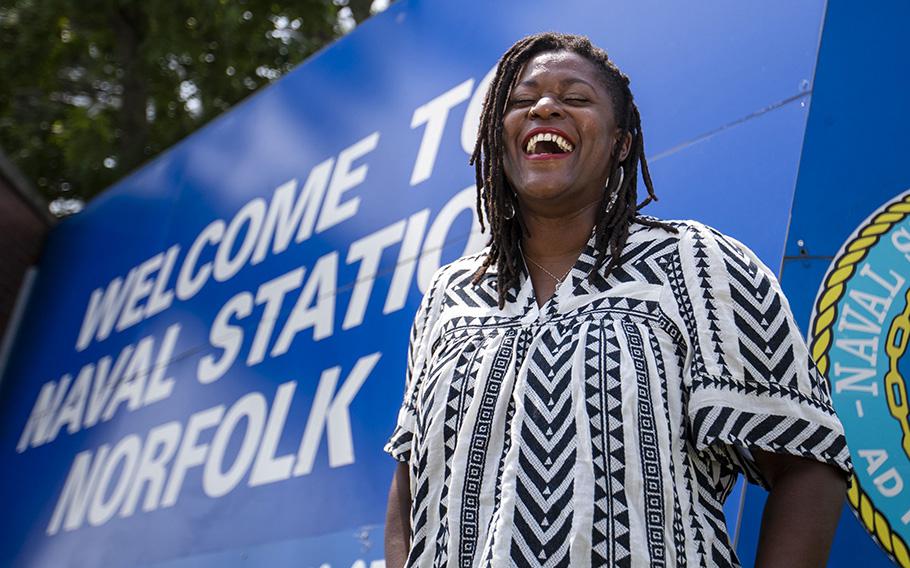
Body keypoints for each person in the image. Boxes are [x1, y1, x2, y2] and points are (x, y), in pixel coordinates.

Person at [383, 32, 852, 568]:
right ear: (498, 133)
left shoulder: (695, 262)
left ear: (621, 143)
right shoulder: (451, 294)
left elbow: (807, 455)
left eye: (575, 98)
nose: (543, 107)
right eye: (520, 101)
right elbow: (411, 474)